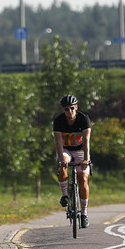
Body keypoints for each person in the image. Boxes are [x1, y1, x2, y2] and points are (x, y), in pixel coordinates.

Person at [53, 94, 92, 229]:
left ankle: (84, 213)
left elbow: (86, 140)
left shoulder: (84, 119)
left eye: (71, 108)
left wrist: (86, 159)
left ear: (76, 107)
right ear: (63, 110)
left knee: (82, 178)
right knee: (62, 162)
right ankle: (64, 195)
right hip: (66, 150)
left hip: (81, 150)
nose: (69, 112)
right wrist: (61, 160)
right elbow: (58, 142)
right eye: (66, 109)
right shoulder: (58, 121)